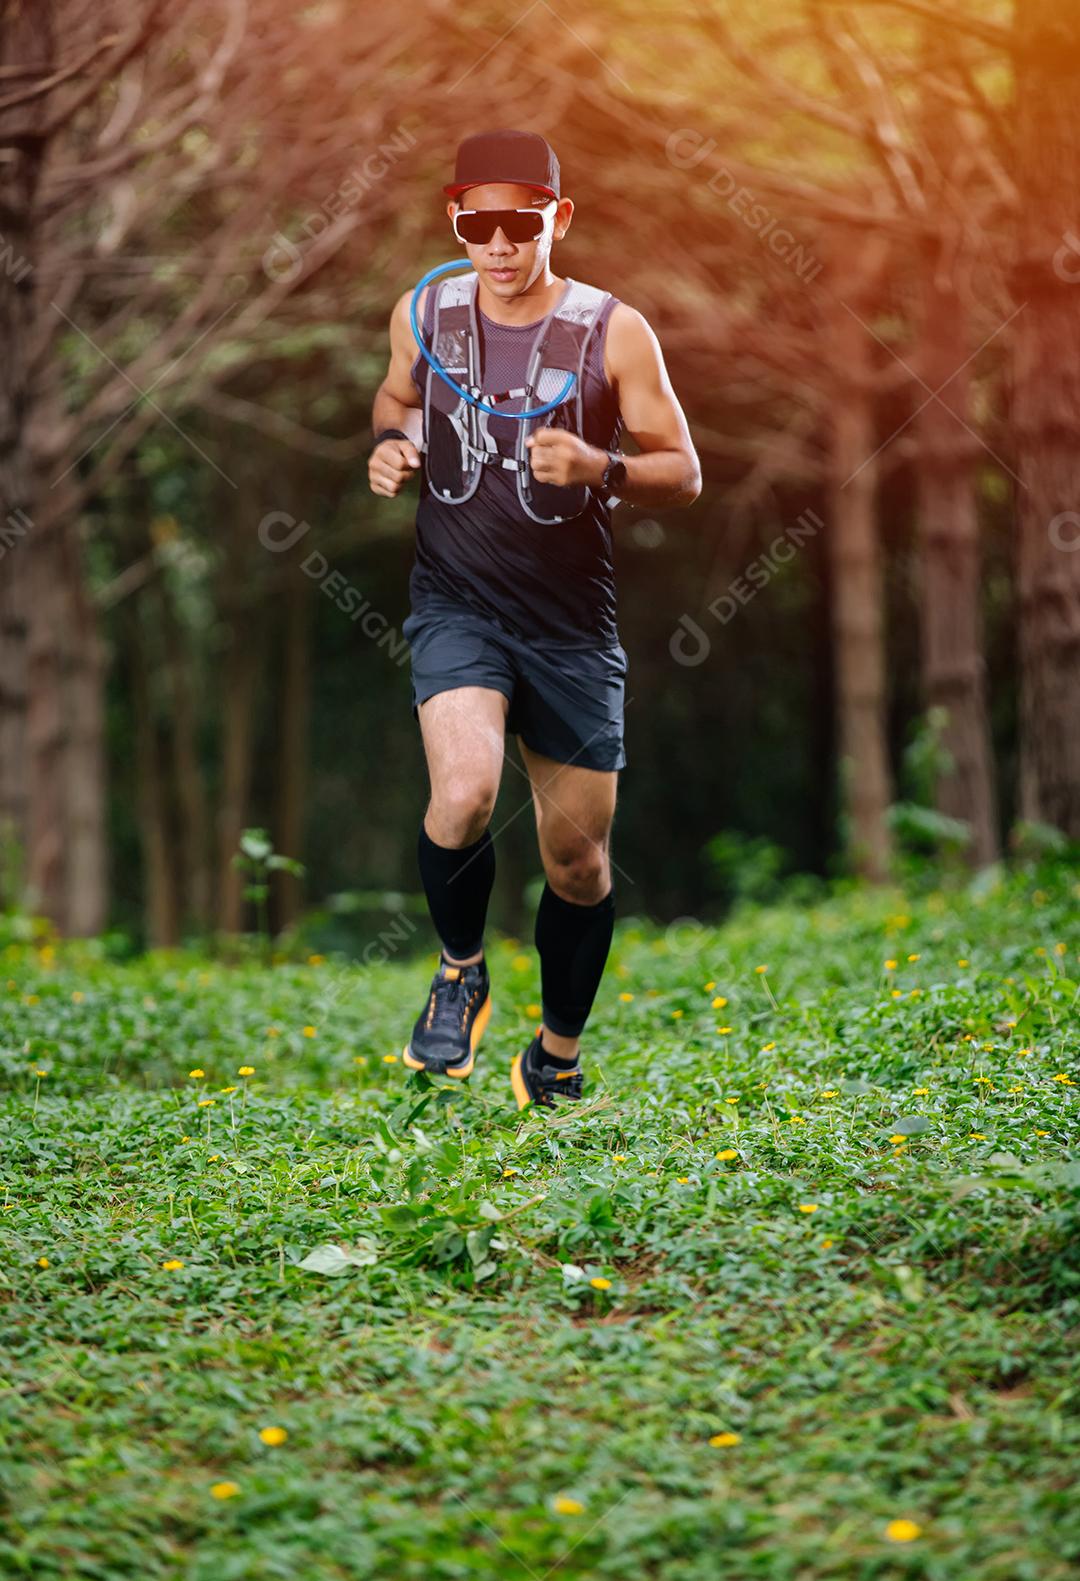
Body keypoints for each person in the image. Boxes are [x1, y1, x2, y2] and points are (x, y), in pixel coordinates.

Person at [369, 128, 700, 1109]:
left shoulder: (612, 330)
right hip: (456, 603)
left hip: (570, 629)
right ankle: (460, 970)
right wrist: (392, 447)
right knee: (463, 794)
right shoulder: (425, 312)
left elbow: (681, 469)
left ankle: (553, 1057)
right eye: (480, 227)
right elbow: (395, 400)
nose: (501, 248)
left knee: (579, 860)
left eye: (521, 225)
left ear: (557, 219)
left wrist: (602, 469)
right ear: (455, 223)